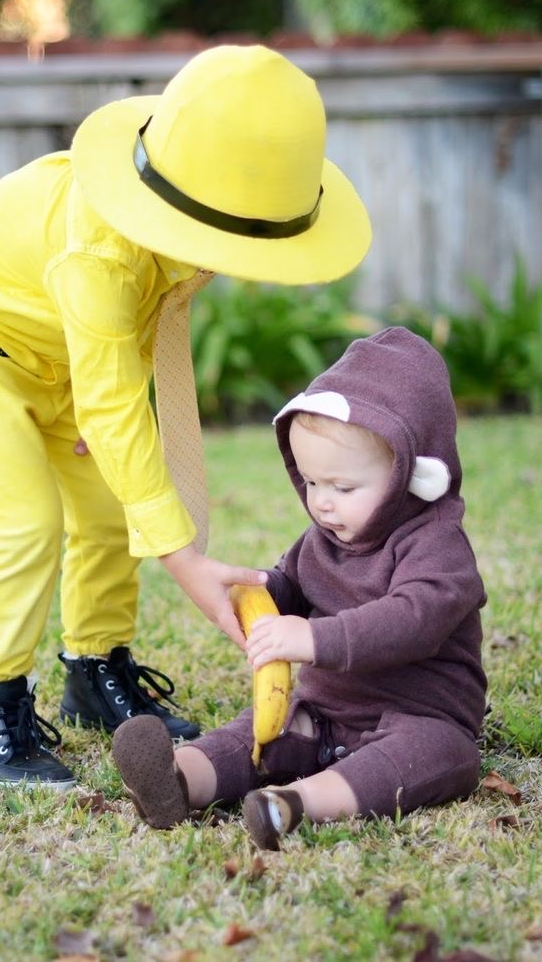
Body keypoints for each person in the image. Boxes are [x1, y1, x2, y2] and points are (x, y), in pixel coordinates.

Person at [0, 44, 372, 789]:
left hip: (63, 352)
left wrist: (135, 477)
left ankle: (93, 670)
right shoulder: (101, 255)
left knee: (110, 506)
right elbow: (113, 399)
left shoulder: (171, 230)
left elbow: (122, 361)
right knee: (25, 521)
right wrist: (185, 560)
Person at [111, 327, 487, 848]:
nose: (322, 503)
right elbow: (294, 583)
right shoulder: (322, 538)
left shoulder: (437, 547)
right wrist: (260, 590)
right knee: (257, 734)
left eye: (343, 487)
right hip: (324, 712)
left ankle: (295, 805)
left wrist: (314, 640)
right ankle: (179, 779)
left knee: (444, 755)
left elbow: (413, 619)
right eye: (311, 483)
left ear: (411, 473)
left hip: (417, 714)